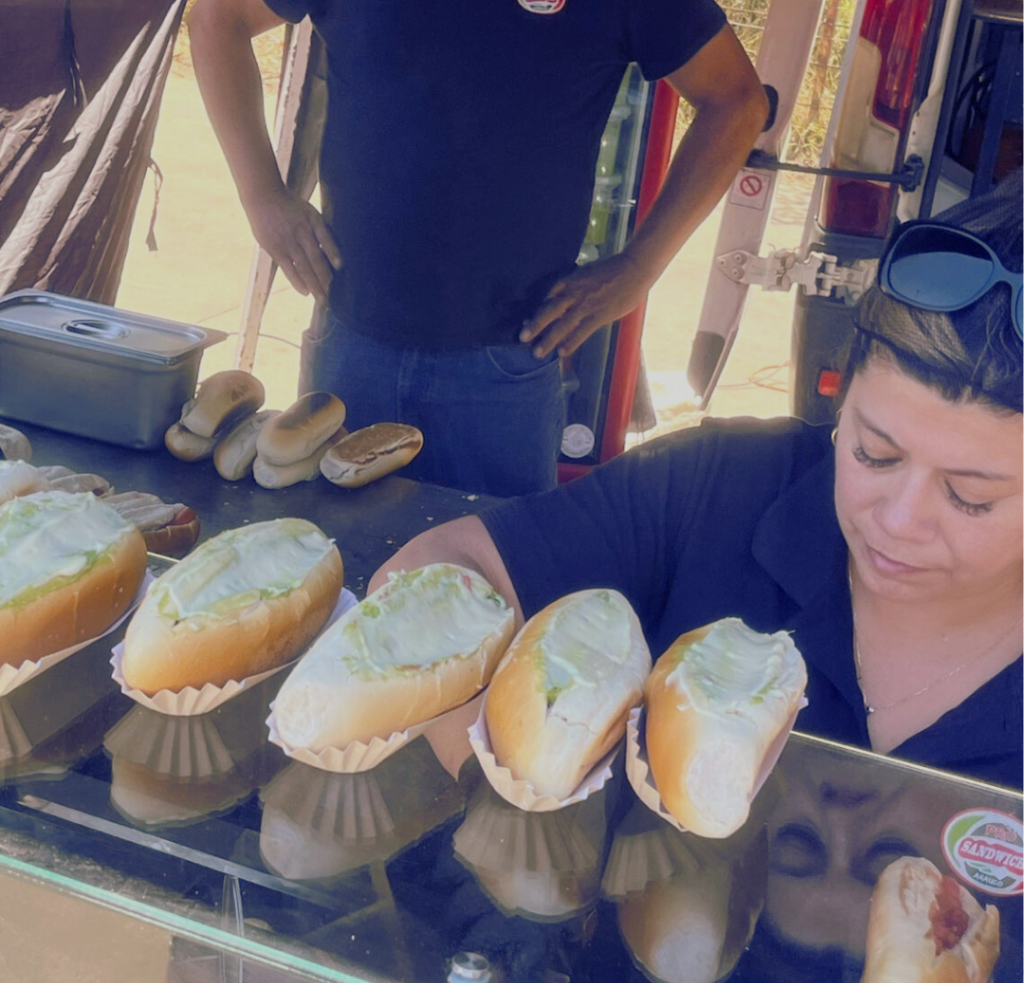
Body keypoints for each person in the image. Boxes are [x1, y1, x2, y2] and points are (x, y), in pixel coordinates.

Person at [369, 172, 1024, 789]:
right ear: (842, 398)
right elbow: (435, 566)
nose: (898, 520)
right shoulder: (722, 486)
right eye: (874, 454)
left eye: (970, 497)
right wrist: (497, 786)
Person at [187, 0, 768, 497]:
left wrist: (640, 267)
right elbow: (216, 19)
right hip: (351, 344)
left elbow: (737, 101)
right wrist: (262, 197)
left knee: (485, 581)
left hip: (507, 369)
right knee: (333, 568)